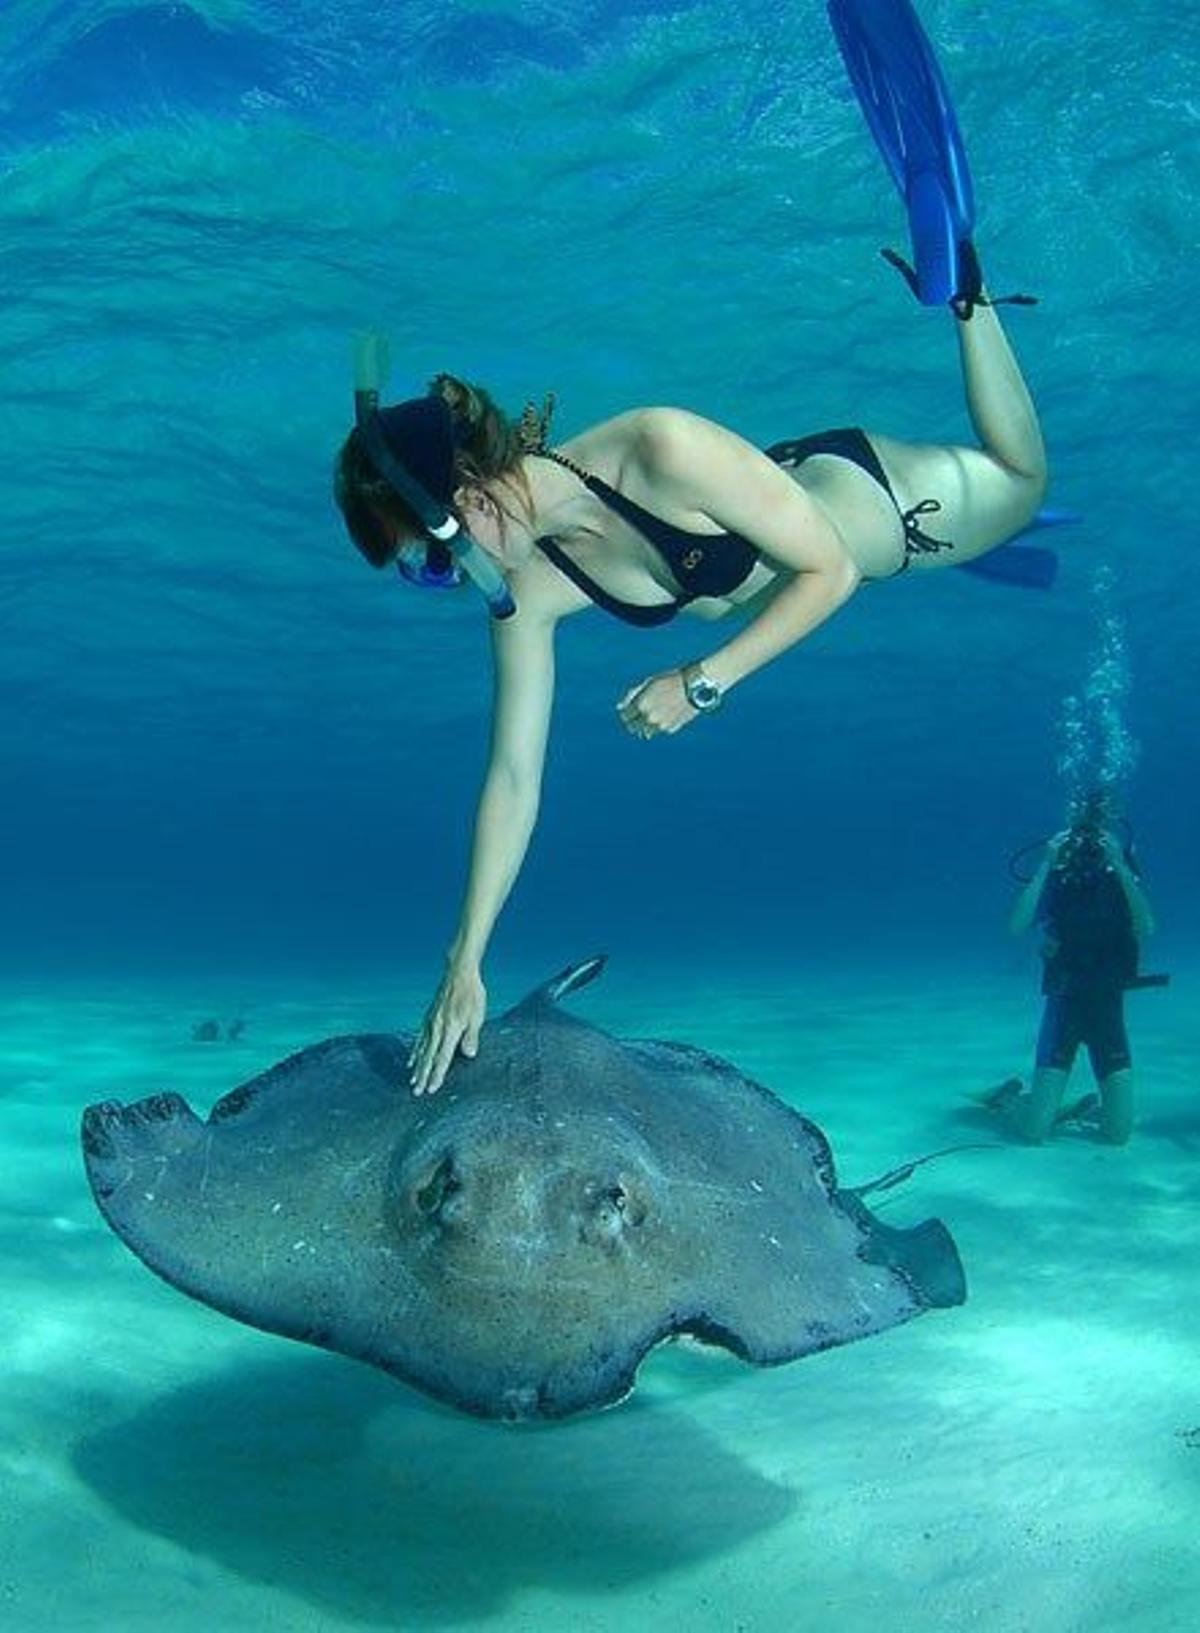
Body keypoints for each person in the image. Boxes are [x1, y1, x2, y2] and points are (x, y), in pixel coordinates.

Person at [334, 275, 1049, 1093]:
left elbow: (833, 568)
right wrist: (466, 958)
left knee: (1025, 482)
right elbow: (513, 774)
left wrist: (701, 682)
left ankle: (967, 293)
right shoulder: (527, 588)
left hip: (880, 511)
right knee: (995, 497)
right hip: (774, 516)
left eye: (430, 563)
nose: (450, 583)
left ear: (466, 500)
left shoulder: (660, 446)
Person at [985, 792, 1156, 1146]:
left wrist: (1120, 865)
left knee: (1118, 1135)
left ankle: (1075, 1108)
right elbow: (1017, 926)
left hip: (1107, 1009)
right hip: (1065, 1004)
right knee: (1033, 1134)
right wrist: (1047, 863)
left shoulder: (1120, 872)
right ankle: (1008, 1099)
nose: (1087, 846)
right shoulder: (1058, 876)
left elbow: (1146, 927)